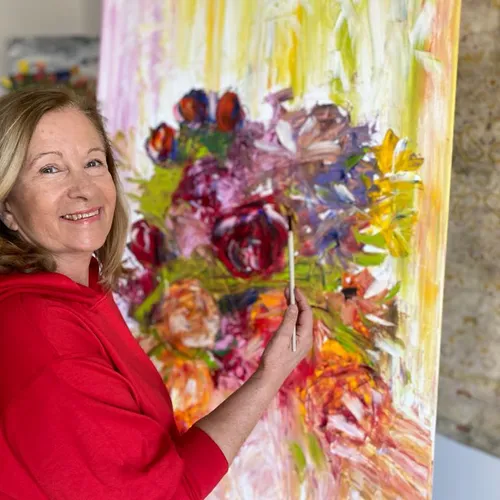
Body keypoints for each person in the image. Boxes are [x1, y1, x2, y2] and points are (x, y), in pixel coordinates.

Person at [0, 87, 313, 500]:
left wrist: (268, 374)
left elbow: (151, 467)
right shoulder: (42, 331)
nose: (83, 189)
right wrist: (269, 377)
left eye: (93, 162)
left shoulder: (75, 292)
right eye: (50, 169)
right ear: (7, 208)